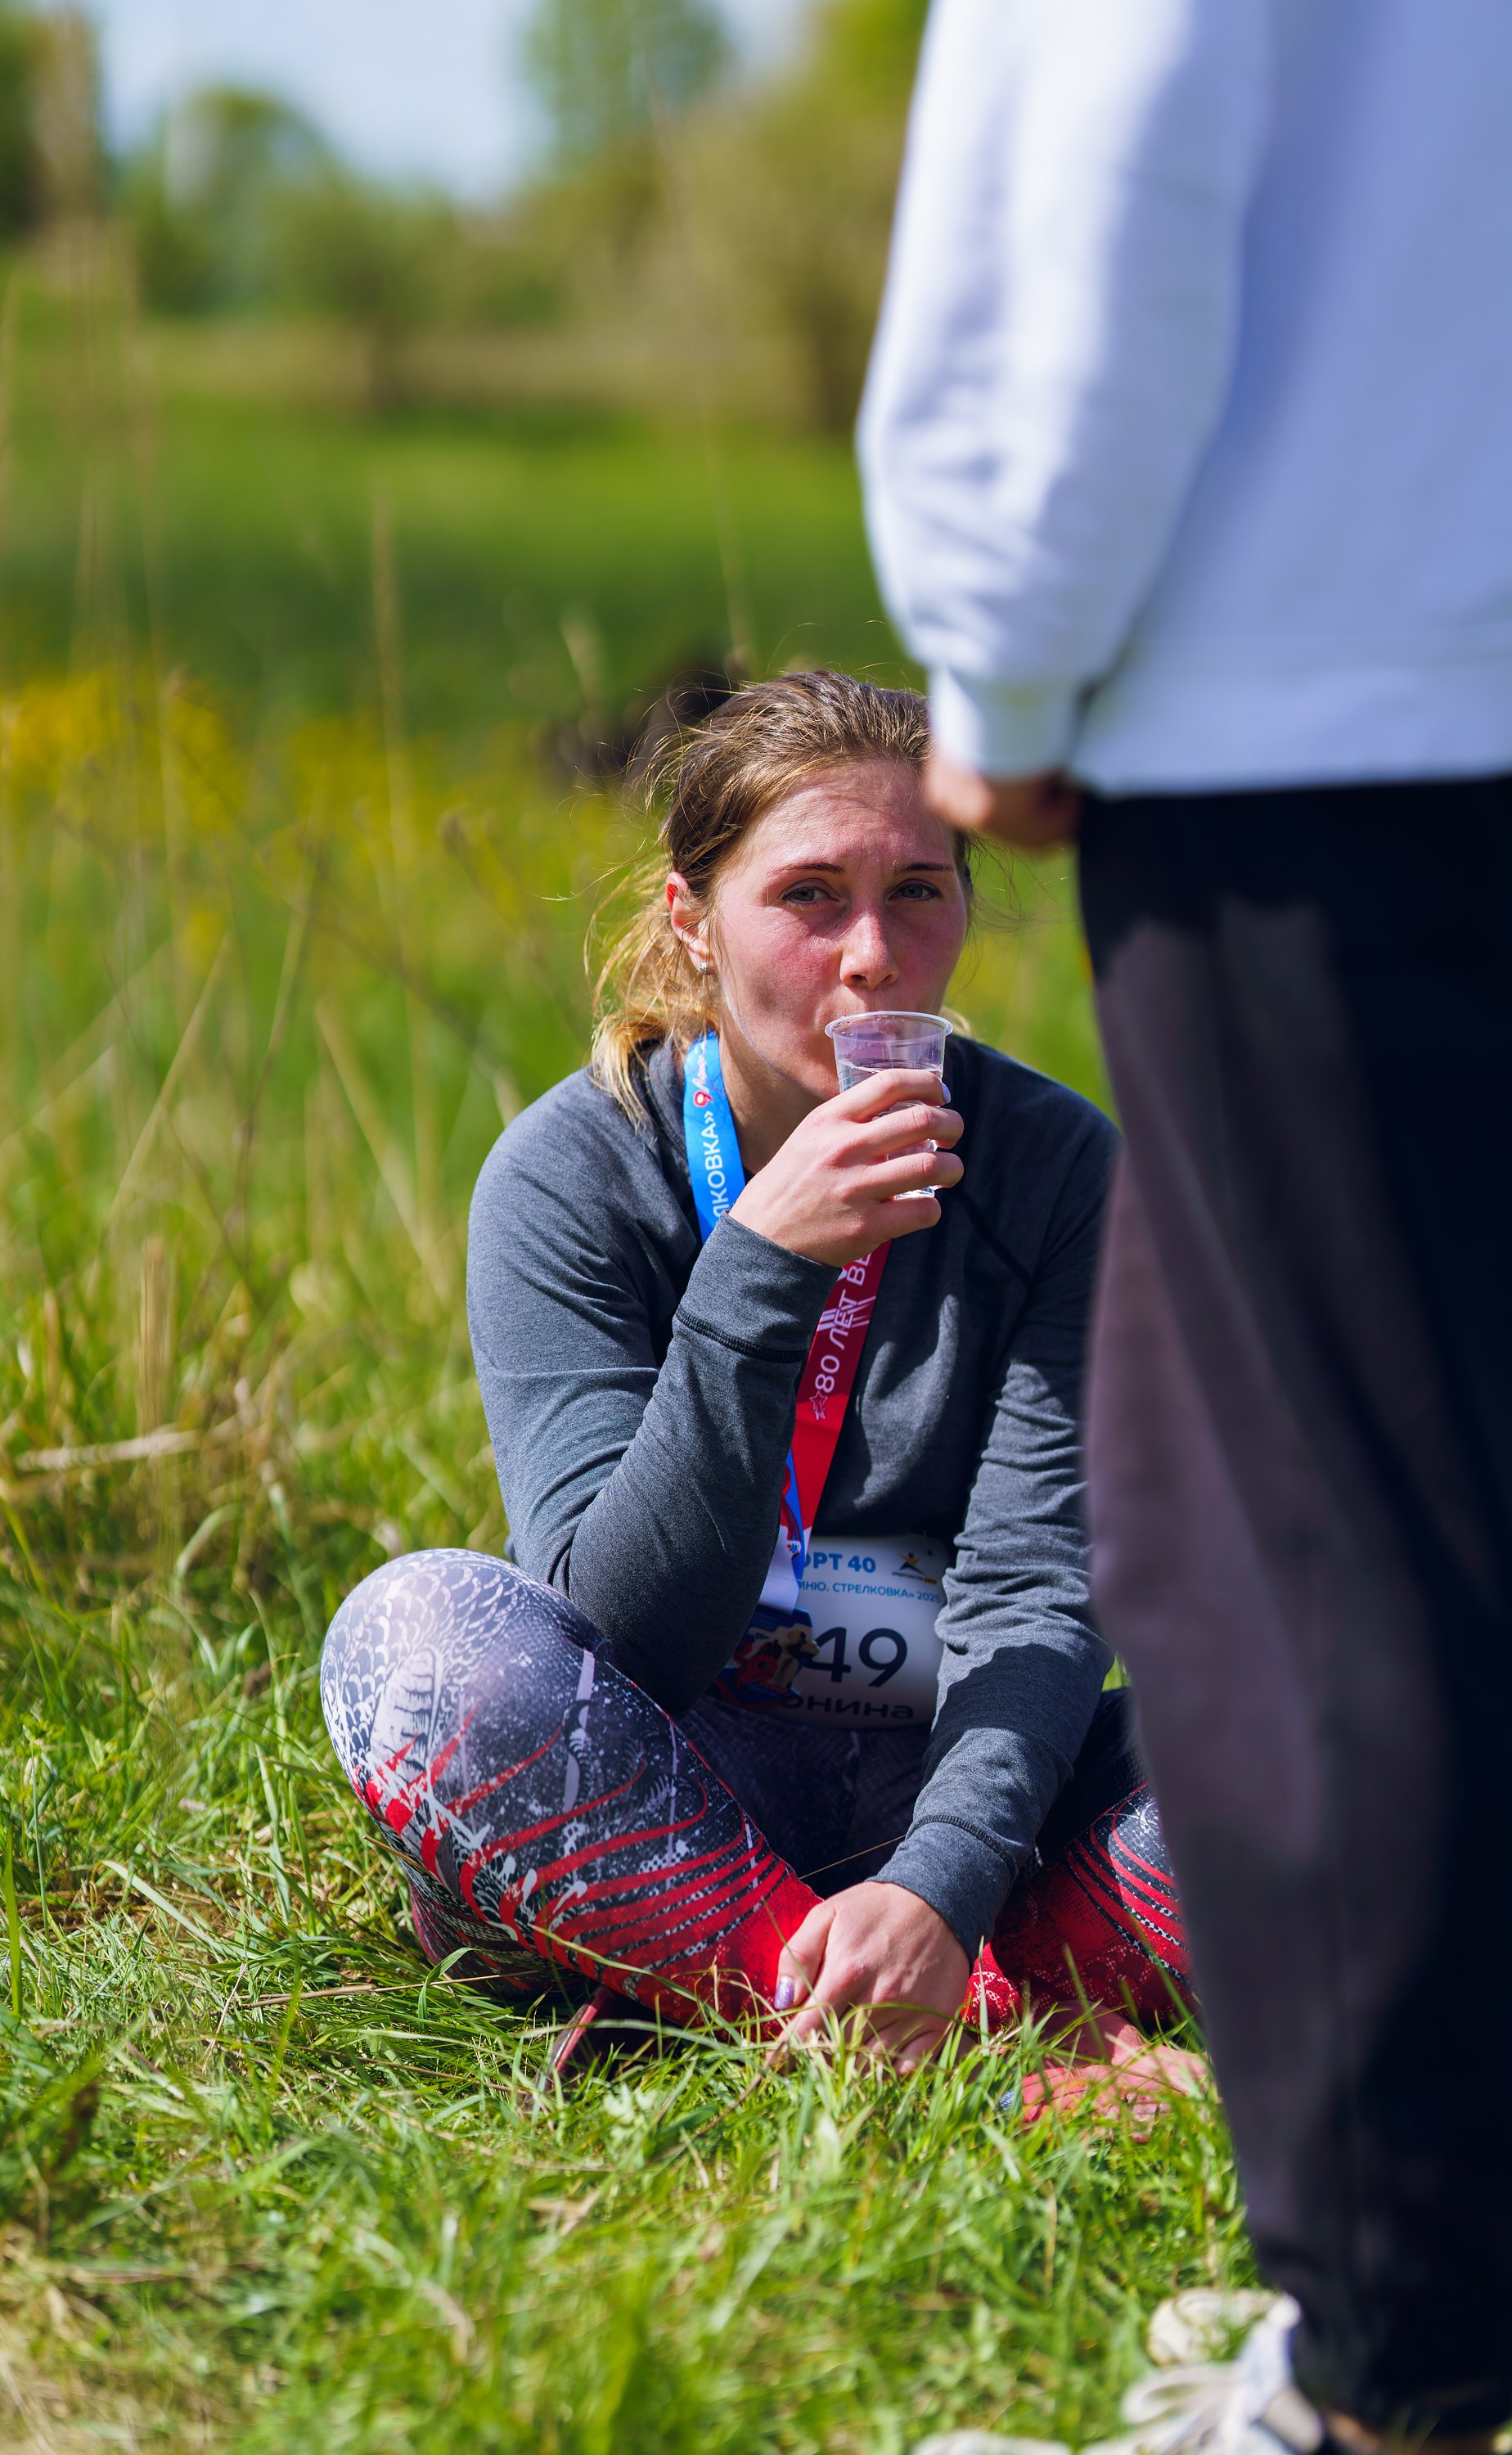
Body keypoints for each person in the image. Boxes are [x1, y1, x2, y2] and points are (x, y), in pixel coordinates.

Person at [859, 0, 1512, 2444]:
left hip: (1312, 694)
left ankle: (1392, 2380)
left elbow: (1114, 116)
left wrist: (1004, 647)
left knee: (1306, 1527)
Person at [321, 672, 1195, 2089]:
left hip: (969, 1789)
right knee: (412, 1639)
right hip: (669, 1778)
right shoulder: (571, 1175)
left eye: (919, 891)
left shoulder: (1054, 1172)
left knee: (1344, 1678)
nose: (872, 957)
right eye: (808, 896)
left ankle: (789, 1972)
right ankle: (987, 2023)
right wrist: (762, 1269)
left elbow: (1036, 1593)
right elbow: (625, 1628)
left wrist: (941, 1880)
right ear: (692, 924)